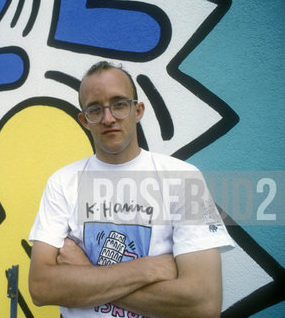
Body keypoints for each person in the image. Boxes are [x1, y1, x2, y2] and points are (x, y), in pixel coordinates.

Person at [28, 61, 234, 318]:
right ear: (83, 120)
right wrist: (149, 269)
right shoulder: (62, 183)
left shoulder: (184, 179)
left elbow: (203, 304)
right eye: (94, 109)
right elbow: (40, 287)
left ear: (137, 111)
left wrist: (86, 271)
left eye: (119, 104)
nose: (108, 118)